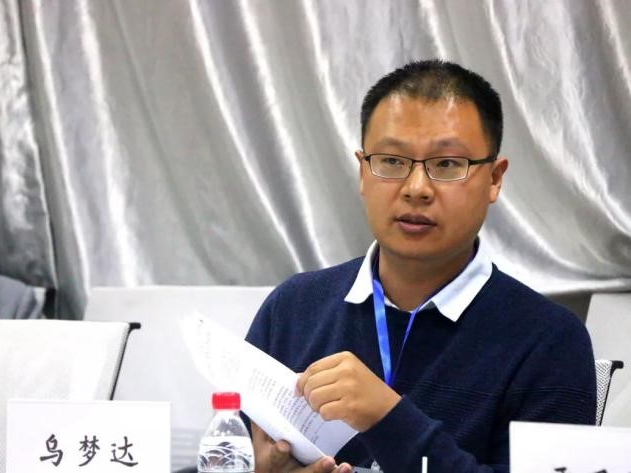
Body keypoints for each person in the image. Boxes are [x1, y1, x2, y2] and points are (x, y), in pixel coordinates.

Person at [245, 60, 596, 473]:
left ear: (494, 179)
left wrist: (387, 418)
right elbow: (224, 453)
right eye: (392, 161)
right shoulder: (293, 309)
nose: (416, 189)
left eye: (447, 164)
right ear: (363, 171)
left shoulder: (549, 341)